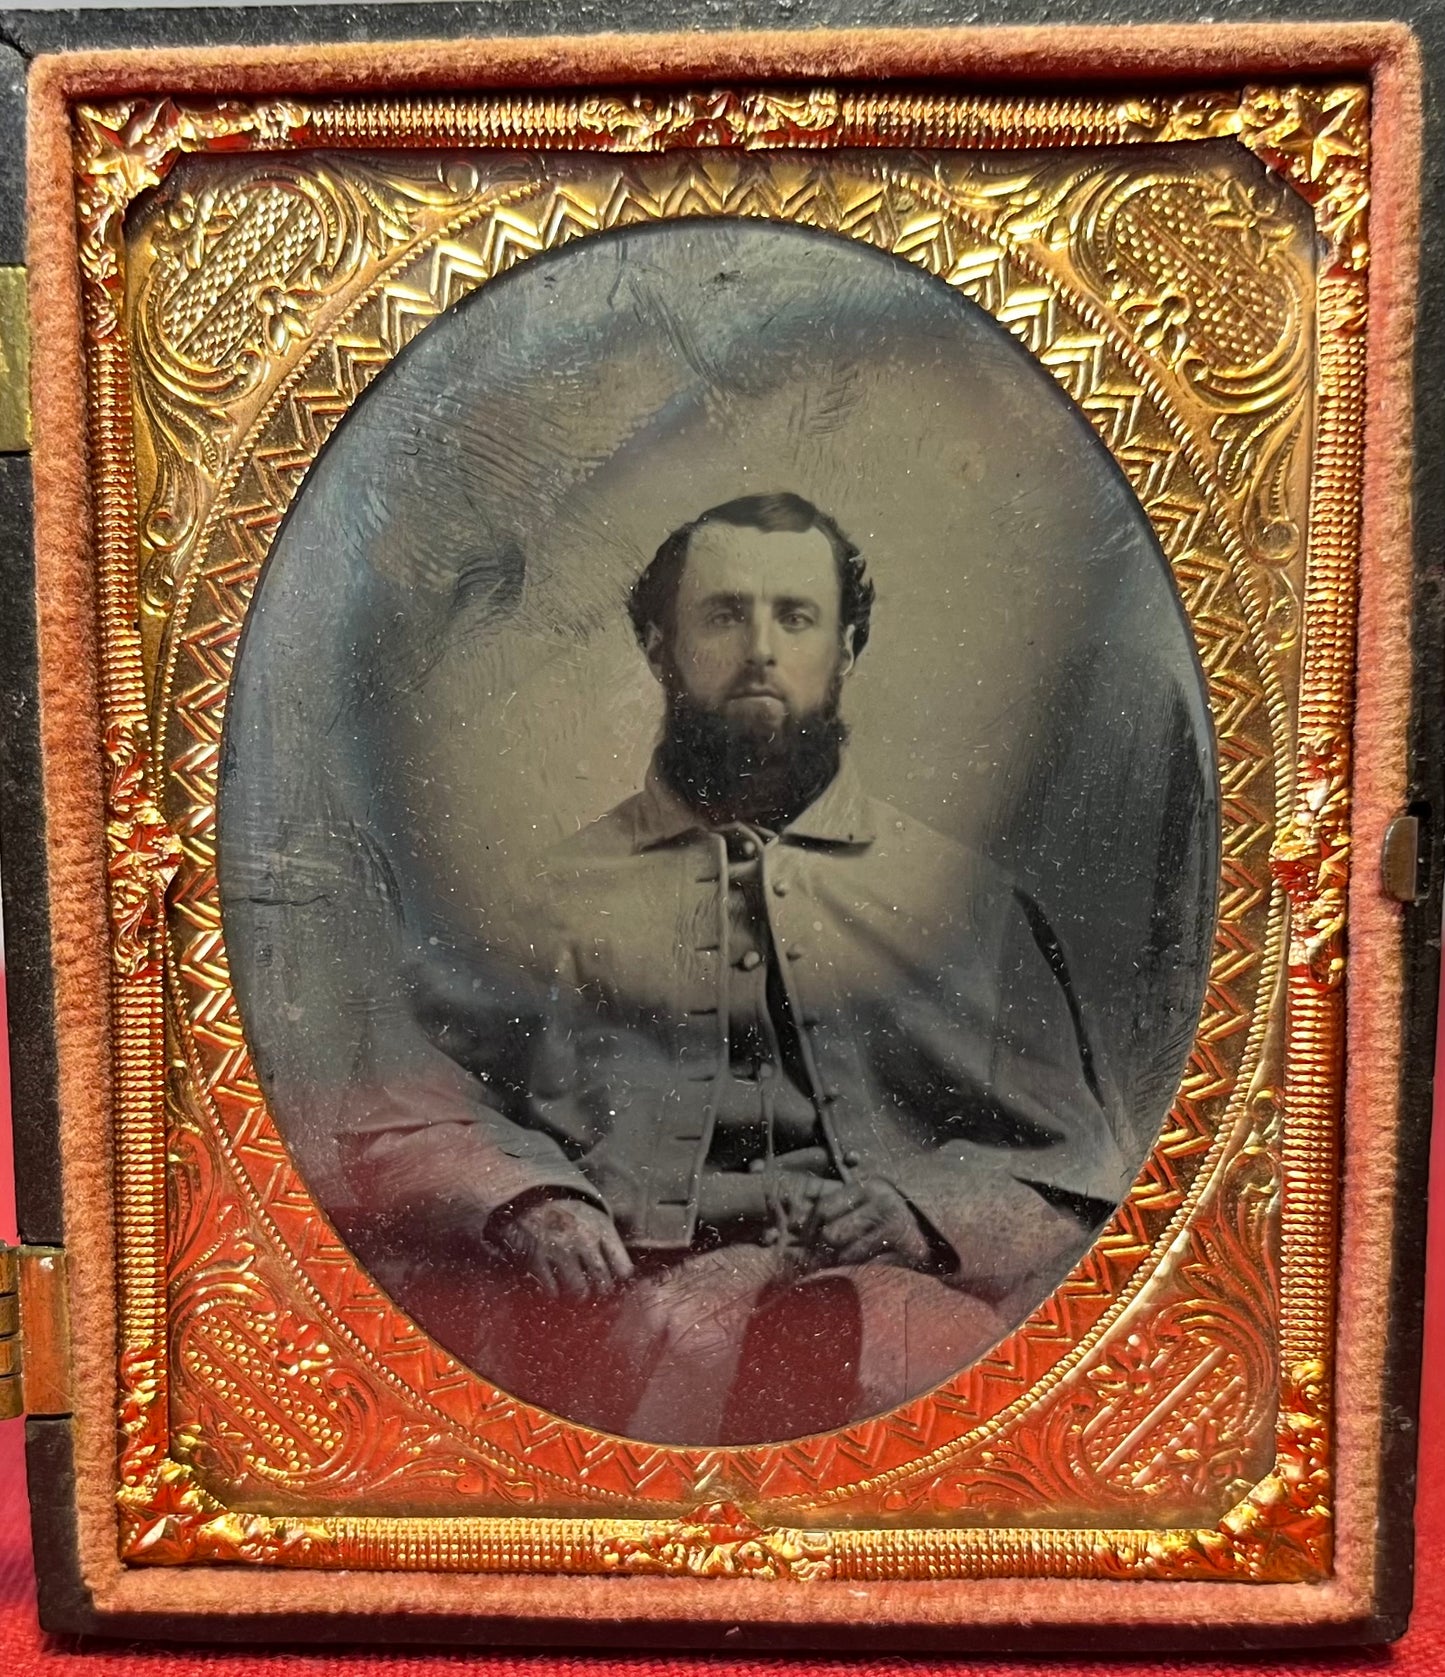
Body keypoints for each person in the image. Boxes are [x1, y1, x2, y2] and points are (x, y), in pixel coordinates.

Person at [344, 493, 1129, 1444]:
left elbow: (1077, 1165)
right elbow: (400, 1107)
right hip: (609, 1315)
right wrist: (531, 1200)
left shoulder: (960, 900)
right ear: (656, 646)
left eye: (794, 616)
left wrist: (921, 1212)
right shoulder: (548, 893)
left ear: (844, 650)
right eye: (722, 614)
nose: (760, 647)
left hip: (881, 1325)